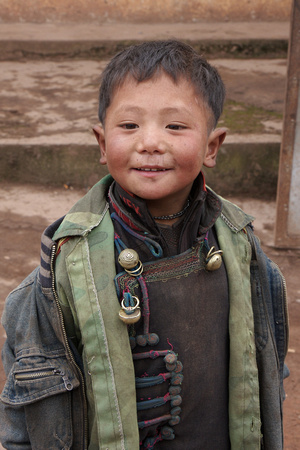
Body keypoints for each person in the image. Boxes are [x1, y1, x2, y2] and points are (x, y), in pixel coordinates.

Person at [0, 40, 288, 450]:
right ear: (102, 143)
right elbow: (25, 400)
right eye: (130, 126)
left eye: (175, 126)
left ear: (211, 146)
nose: (150, 142)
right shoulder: (65, 267)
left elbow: (268, 369)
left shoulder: (243, 252)